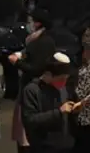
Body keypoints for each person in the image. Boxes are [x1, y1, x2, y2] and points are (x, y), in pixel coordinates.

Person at [9, 8, 57, 153]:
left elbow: (36, 68)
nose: (28, 24)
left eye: (30, 21)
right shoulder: (33, 40)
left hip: (35, 90)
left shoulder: (44, 41)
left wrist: (17, 62)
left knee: (30, 130)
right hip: (27, 89)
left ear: (38, 23)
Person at [21, 53, 83, 153]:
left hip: (67, 146)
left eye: (66, 79)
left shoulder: (64, 88)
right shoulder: (32, 90)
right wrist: (59, 112)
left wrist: (75, 111)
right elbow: (30, 120)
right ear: (49, 74)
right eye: (61, 79)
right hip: (43, 147)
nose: (64, 82)